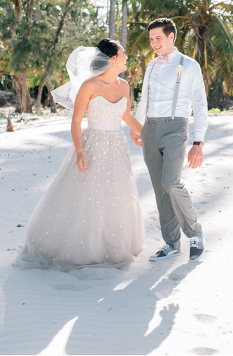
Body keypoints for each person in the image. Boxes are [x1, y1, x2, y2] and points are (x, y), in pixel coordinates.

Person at [14, 39, 144, 269]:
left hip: (117, 145)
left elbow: (127, 117)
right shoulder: (89, 86)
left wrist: (148, 133)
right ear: (112, 59)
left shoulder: (125, 86)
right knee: (88, 195)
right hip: (93, 144)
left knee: (115, 192)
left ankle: (110, 243)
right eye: (123, 54)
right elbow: (76, 121)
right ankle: (84, 246)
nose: (126, 58)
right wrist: (79, 151)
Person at [131, 18, 208, 262]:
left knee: (172, 182)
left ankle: (195, 233)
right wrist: (137, 126)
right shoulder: (151, 66)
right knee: (159, 188)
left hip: (176, 127)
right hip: (150, 128)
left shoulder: (189, 65)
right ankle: (171, 242)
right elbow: (145, 99)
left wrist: (198, 143)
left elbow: (200, 104)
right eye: (151, 39)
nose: (154, 43)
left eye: (158, 38)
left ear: (171, 37)